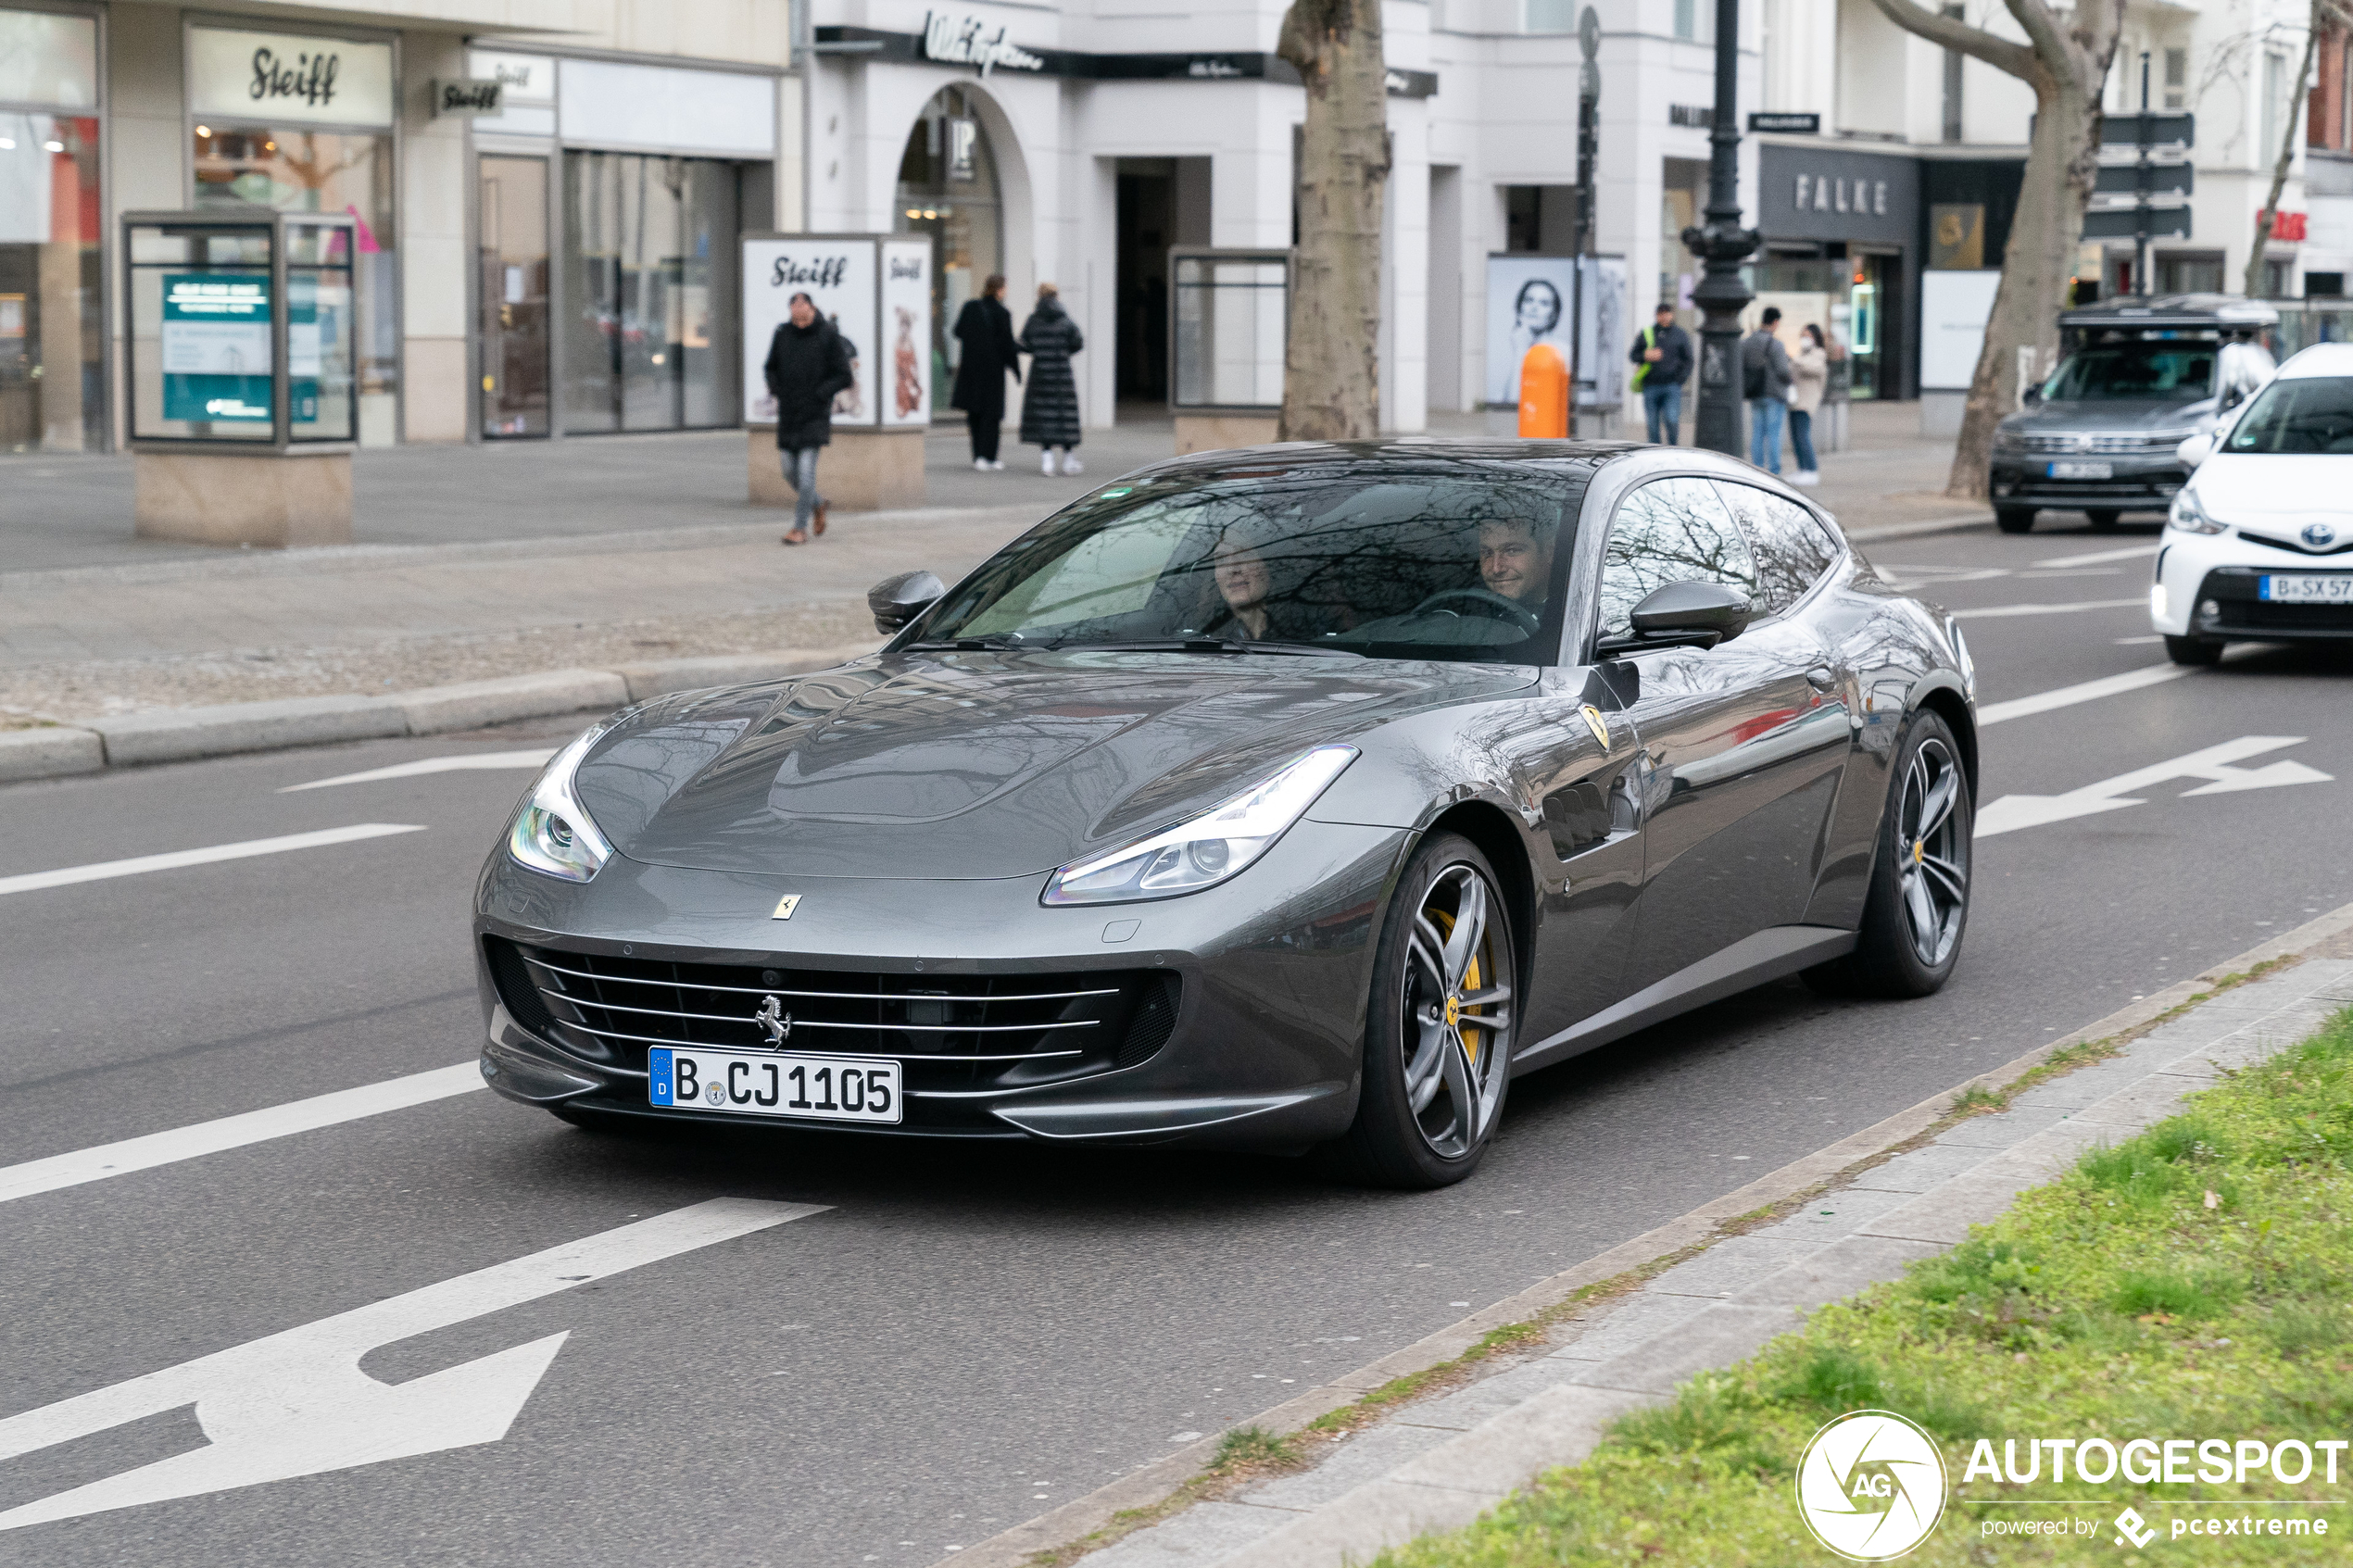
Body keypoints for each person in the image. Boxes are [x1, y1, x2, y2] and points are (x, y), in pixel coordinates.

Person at [763, 292, 856, 546]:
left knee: (805, 474)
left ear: (812, 307)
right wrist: (776, 388)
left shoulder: (826, 335)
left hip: (814, 414)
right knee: (788, 471)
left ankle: (799, 528)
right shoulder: (783, 334)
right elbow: (770, 367)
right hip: (789, 414)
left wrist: (821, 393)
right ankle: (818, 503)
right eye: (793, 304)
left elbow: (843, 375)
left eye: (802, 304)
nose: (797, 309)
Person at [950, 274, 1022, 470]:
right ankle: (990, 456)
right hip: (992, 372)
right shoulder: (1002, 313)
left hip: (971, 369)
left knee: (974, 413)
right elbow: (1007, 345)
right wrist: (1016, 371)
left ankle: (978, 456)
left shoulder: (970, 307)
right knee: (992, 414)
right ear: (999, 290)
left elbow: (957, 331)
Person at [1019, 282, 1086, 475]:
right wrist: (1063, 353)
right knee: (1064, 415)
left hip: (1040, 373)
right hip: (1061, 373)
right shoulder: (1064, 319)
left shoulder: (1033, 320)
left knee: (1044, 416)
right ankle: (1068, 459)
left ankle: (1047, 459)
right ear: (1056, 296)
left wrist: (1039, 351)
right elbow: (1078, 341)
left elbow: (1023, 343)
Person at [1629, 302, 1693, 445]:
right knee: (1652, 424)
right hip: (1650, 385)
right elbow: (1633, 355)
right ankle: (1655, 450)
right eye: (1660, 313)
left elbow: (1689, 359)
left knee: (1671, 420)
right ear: (1656, 315)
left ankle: (1672, 447)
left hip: (1671, 385)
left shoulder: (1680, 334)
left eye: (1667, 313)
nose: (1664, 317)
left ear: (1672, 315)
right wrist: (1645, 355)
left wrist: (1680, 379)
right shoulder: (1647, 333)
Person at [1741, 307, 1795, 476]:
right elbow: (1783, 371)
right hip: (1774, 394)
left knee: (1757, 431)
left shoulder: (1748, 342)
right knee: (1773, 434)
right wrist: (1790, 382)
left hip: (1755, 392)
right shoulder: (1776, 344)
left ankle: (1756, 468)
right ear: (1775, 322)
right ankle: (1774, 471)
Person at [1478, 514, 1555, 612]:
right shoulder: (1471, 611)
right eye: (1487, 552)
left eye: (1512, 551)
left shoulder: (1572, 615)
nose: (1496, 569)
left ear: (1550, 551)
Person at [1789, 322, 1829, 486]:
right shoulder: (1801, 353)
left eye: (1808, 336)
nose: (1805, 339)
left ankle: (1811, 469)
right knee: (1796, 437)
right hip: (1795, 400)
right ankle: (1802, 469)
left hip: (1806, 401)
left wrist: (1796, 362)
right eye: (1803, 335)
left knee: (1803, 436)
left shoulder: (1818, 353)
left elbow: (1814, 369)